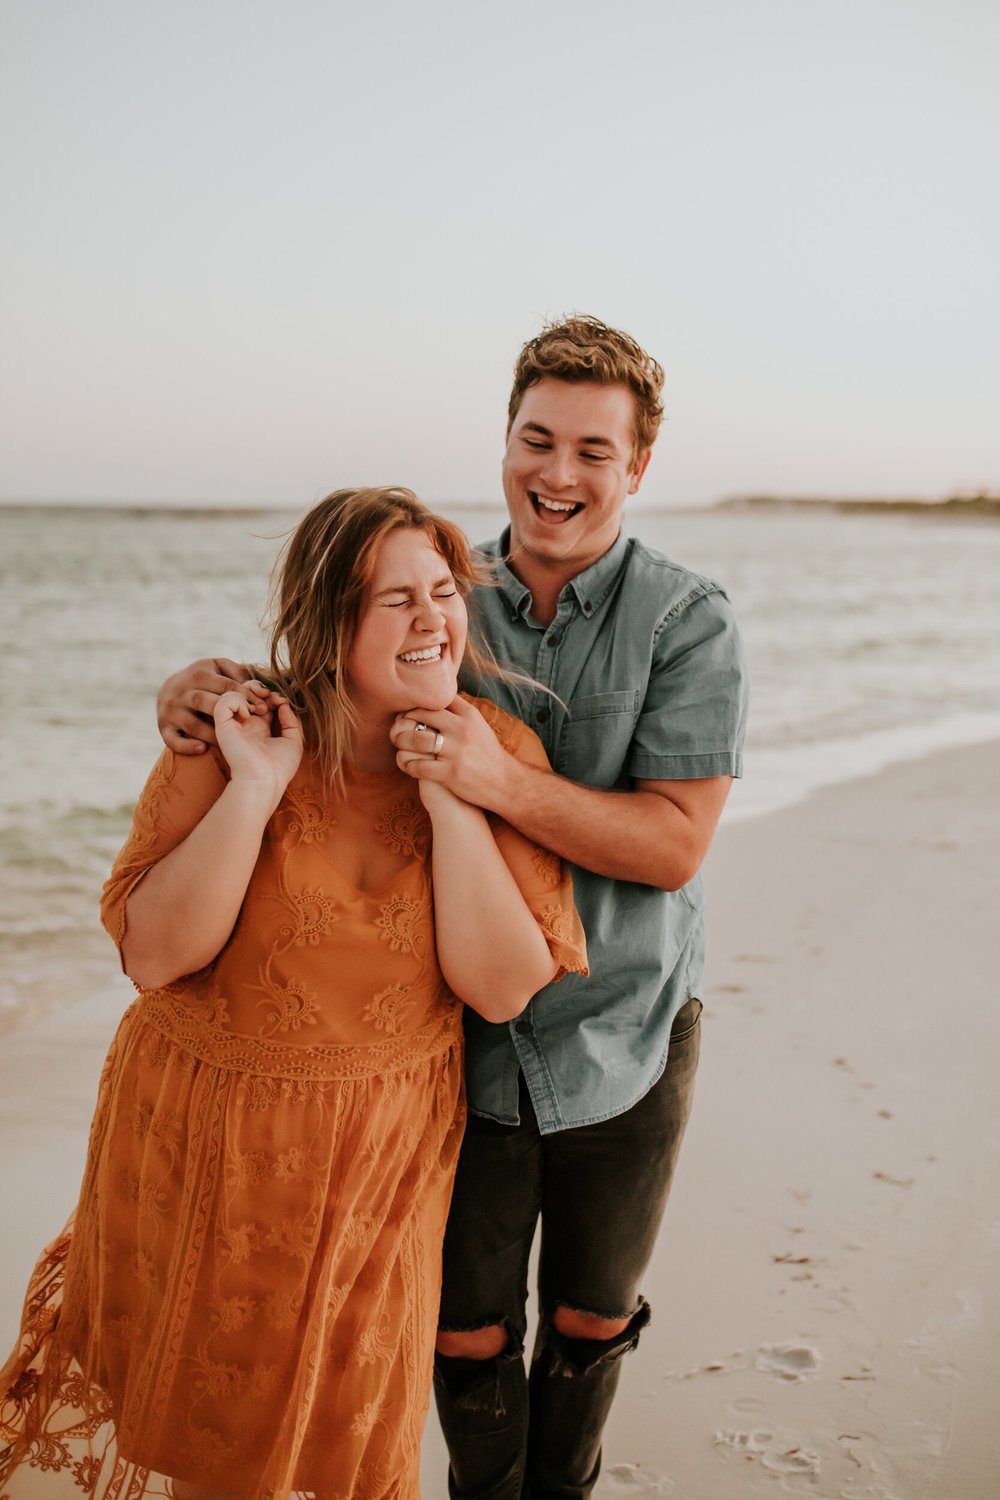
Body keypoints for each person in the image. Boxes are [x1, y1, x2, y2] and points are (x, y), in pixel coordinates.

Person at [153, 316, 750, 1499]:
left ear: (637, 468)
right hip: (455, 1039)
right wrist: (199, 687)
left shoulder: (689, 622)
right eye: (537, 439)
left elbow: (674, 846)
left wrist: (499, 783)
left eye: (593, 450)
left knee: (588, 1314)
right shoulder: (447, 587)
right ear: (506, 442)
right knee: (464, 1327)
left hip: (624, 1025)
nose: (558, 473)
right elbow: (345, 668)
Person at [0, 487, 586, 1500]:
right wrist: (256, 785)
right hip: (204, 1141)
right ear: (329, 620)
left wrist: (453, 801)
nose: (430, 619)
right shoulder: (239, 730)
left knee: (345, 1435)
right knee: (213, 1451)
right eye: (392, 598)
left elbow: (500, 987)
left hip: (379, 1163)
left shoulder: (497, 754)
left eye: (442, 591)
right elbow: (153, 957)